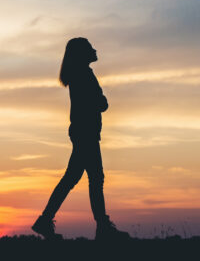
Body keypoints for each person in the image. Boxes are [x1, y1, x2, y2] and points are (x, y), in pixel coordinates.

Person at [32, 38, 130, 241]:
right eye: (89, 48)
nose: (94, 50)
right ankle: (102, 227)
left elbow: (95, 102)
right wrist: (101, 101)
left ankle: (46, 220)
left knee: (74, 179)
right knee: (94, 179)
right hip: (86, 133)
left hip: (83, 132)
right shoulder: (84, 74)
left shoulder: (79, 74)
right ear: (82, 54)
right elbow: (98, 103)